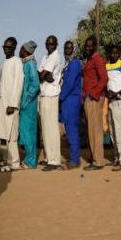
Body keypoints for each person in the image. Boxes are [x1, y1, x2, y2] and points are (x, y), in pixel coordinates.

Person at [0, 37, 23, 173]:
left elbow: (18, 84)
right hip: (3, 103)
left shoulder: (17, 62)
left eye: (9, 47)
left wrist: (13, 104)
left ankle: (14, 163)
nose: (6, 49)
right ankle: (6, 160)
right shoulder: (5, 62)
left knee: (11, 134)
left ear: (14, 48)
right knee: (3, 134)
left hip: (11, 105)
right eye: (5, 47)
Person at [82, 36, 109, 171]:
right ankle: (94, 157)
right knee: (91, 130)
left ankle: (98, 161)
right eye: (86, 46)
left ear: (94, 47)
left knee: (95, 130)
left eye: (89, 46)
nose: (87, 48)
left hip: (94, 98)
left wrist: (94, 94)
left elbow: (104, 78)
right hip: (89, 97)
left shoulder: (98, 59)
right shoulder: (89, 60)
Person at [38, 35, 63, 171]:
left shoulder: (54, 56)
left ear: (56, 45)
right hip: (44, 93)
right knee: (45, 128)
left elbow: (41, 75)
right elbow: (42, 74)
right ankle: (48, 157)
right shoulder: (46, 56)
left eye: (52, 44)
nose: (50, 46)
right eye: (48, 44)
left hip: (51, 94)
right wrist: (43, 74)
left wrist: (42, 74)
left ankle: (54, 160)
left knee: (51, 128)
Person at [59, 40, 83, 170]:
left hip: (71, 100)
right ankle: (74, 158)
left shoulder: (74, 63)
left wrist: (60, 98)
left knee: (71, 129)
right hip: (68, 100)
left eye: (69, 48)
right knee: (69, 129)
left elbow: (68, 83)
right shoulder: (68, 63)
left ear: (74, 49)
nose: (66, 50)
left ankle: (75, 159)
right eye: (65, 47)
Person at [19, 41, 41, 169]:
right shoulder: (26, 63)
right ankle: (28, 158)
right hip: (26, 104)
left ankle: (31, 161)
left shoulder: (30, 65)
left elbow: (35, 85)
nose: (20, 51)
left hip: (29, 104)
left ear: (25, 50)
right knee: (25, 132)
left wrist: (26, 100)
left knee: (29, 133)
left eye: (21, 49)